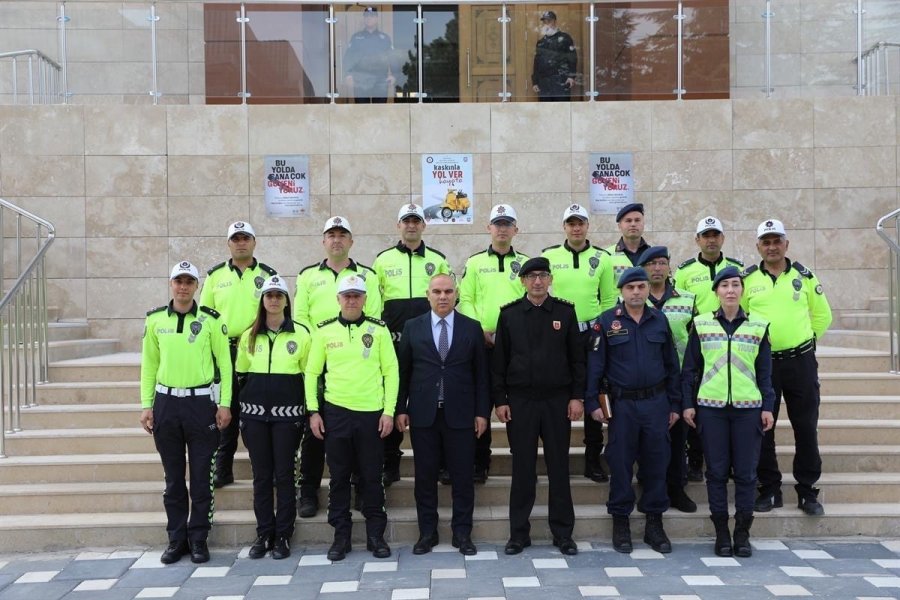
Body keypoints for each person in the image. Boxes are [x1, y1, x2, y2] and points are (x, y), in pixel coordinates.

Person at [139, 261, 232, 565]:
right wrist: (146, 404)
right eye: (178, 281)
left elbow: (225, 364)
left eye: (189, 282)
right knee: (173, 478)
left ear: (196, 286)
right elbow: (149, 365)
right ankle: (176, 538)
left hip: (200, 404)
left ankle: (199, 538)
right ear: (171, 284)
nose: (183, 287)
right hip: (166, 404)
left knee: (202, 476)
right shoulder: (155, 320)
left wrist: (225, 403)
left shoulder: (210, 320)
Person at [492, 257, 585, 557]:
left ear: (550, 279)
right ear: (522, 281)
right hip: (521, 403)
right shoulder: (509, 315)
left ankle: (563, 534)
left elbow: (577, 360)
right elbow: (499, 364)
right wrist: (501, 400)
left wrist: (577, 397)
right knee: (522, 469)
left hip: (557, 401)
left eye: (542, 275)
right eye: (531, 276)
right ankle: (518, 534)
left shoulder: (565, 312)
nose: (537, 282)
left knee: (559, 467)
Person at [585, 267, 681, 554]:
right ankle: (621, 521)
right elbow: (595, 366)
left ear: (647, 289)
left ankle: (654, 523)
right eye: (631, 288)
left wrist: (675, 403)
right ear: (621, 291)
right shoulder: (606, 322)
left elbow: (672, 367)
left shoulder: (659, 320)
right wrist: (592, 402)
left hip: (655, 403)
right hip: (623, 404)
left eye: (641, 287)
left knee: (656, 461)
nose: (636, 292)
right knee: (620, 462)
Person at [682, 266, 775, 558]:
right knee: (717, 473)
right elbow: (689, 370)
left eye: (736, 285)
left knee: (747, 474)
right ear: (716, 292)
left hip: (749, 410)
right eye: (725, 285)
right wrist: (687, 403)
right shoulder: (701, 324)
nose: (731, 290)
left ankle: (743, 533)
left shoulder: (759, 325)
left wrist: (768, 406)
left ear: (742, 290)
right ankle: (722, 533)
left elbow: (765, 374)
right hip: (711, 410)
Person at [304, 275, 399, 561]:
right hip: (336, 414)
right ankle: (341, 536)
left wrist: (389, 411)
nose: (352, 300)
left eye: (357, 295)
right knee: (339, 477)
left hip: (371, 414)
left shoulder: (378, 330)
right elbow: (311, 373)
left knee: (372, 476)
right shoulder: (324, 331)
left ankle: (375, 536)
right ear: (338, 299)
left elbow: (391, 372)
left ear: (365, 299)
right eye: (347, 295)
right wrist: (313, 411)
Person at [293, 216, 382, 518]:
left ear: (351, 241)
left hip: (356, 362)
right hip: (318, 359)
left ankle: (359, 489)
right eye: (331, 235)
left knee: (357, 429)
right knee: (314, 430)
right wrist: (323, 343)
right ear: (323, 241)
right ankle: (308, 492)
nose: (337, 240)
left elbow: (374, 313)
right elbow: (301, 316)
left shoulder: (366, 276)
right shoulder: (307, 277)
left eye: (343, 234)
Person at [743, 219, 832, 516]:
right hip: (764, 364)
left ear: (786, 244)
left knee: (805, 427)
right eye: (766, 242)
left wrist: (806, 341)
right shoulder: (747, 280)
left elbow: (822, 316)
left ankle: (807, 491)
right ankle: (769, 489)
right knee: (762, 428)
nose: (771, 246)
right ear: (758, 246)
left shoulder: (804, 277)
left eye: (776, 240)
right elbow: (740, 317)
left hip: (800, 363)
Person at [395, 274, 490, 556]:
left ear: (456, 293)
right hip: (424, 415)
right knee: (424, 478)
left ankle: (463, 534)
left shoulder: (471, 328)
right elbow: (403, 373)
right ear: (428, 295)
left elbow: (481, 375)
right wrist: (401, 408)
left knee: (462, 477)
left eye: (448, 291)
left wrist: (482, 413)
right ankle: (427, 533)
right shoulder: (412, 327)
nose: (443, 296)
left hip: (461, 415)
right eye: (437, 291)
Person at [373, 203, 453, 486]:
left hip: (429, 346)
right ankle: (390, 464)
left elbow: (450, 299)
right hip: (392, 344)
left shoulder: (438, 260)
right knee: (392, 401)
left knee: (435, 399)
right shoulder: (382, 260)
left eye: (416, 221)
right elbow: (374, 303)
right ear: (398, 226)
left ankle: (443, 463)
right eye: (406, 221)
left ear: (423, 226)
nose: (411, 225)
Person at [235, 275, 311, 560]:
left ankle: (283, 535)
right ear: (263, 300)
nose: (274, 300)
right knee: (261, 477)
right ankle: (264, 533)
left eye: (279, 295)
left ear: (286, 301)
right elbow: (241, 374)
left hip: (287, 418)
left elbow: (308, 375)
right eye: (270, 295)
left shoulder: (301, 334)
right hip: (254, 418)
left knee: (285, 475)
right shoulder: (249, 336)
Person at [200, 221, 277, 489]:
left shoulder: (268, 275)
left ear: (254, 242)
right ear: (228, 243)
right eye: (236, 238)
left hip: (258, 351)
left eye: (246, 238)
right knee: (226, 409)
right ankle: (223, 468)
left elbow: (277, 312)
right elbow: (205, 318)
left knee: (259, 410)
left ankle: (267, 469)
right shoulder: (214, 276)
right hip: (224, 351)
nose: (241, 242)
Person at [541, 204, 615, 484]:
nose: (576, 227)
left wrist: (602, 329)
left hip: (592, 333)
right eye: (571, 223)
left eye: (580, 222)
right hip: (559, 334)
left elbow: (608, 299)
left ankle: (593, 460)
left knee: (592, 392)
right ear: (564, 227)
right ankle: (554, 458)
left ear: (587, 226)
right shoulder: (549, 256)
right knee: (560, 392)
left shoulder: (602, 258)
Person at [457, 204, 529, 483]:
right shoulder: (475, 263)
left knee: (517, 402)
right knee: (482, 402)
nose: (502, 228)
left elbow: (530, 302)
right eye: (497, 223)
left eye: (507, 223)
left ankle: (521, 459)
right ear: (489, 228)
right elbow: (467, 300)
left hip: (517, 347)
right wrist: (479, 331)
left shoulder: (525, 264)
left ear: (515, 230)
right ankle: (480, 461)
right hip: (483, 345)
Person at [672, 216, 743, 482]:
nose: (710, 240)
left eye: (715, 235)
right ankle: (696, 460)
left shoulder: (736, 268)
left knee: (731, 401)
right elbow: (678, 307)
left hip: (731, 343)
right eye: (705, 235)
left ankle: (734, 462)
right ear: (697, 240)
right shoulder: (685, 271)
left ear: (722, 238)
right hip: (698, 342)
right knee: (697, 399)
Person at [638, 246, 697, 514]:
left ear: (669, 267)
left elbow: (696, 342)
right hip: (645, 381)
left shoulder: (687, 299)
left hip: (679, 378)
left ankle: (676, 488)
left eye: (662, 263)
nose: (657, 268)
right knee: (647, 440)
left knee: (677, 436)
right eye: (651, 264)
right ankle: (650, 487)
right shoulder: (633, 299)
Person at [343, 6, 397, 103]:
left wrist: (394, 75)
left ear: (376, 19)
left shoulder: (384, 38)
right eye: (367, 16)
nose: (369, 18)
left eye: (372, 16)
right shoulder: (356, 38)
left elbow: (392, 58)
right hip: (361, 79)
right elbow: (348, 57)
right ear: (364, 19)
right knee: (362, 111)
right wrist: (348, 74)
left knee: (380, 111)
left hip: (380, 80)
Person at [600, 203, 652, 295]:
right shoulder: (607, 255)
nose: (633, 224)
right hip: (617, 308)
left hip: (647, 308)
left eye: (637, 220)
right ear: (619, 226)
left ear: (643, 224)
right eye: (628, 221)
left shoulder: (653, 255)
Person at [531, 11, 577, 101]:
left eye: (549, 21)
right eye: (545, 22)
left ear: (555, 21)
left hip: (561, 80)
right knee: (546, 110)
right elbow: (537, 62)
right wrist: (535, 81)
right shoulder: (541, 42)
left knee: (562, 110)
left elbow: (572, 58)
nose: (547, 24)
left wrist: (571, 76)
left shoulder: (565, 38)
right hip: (543, 82)